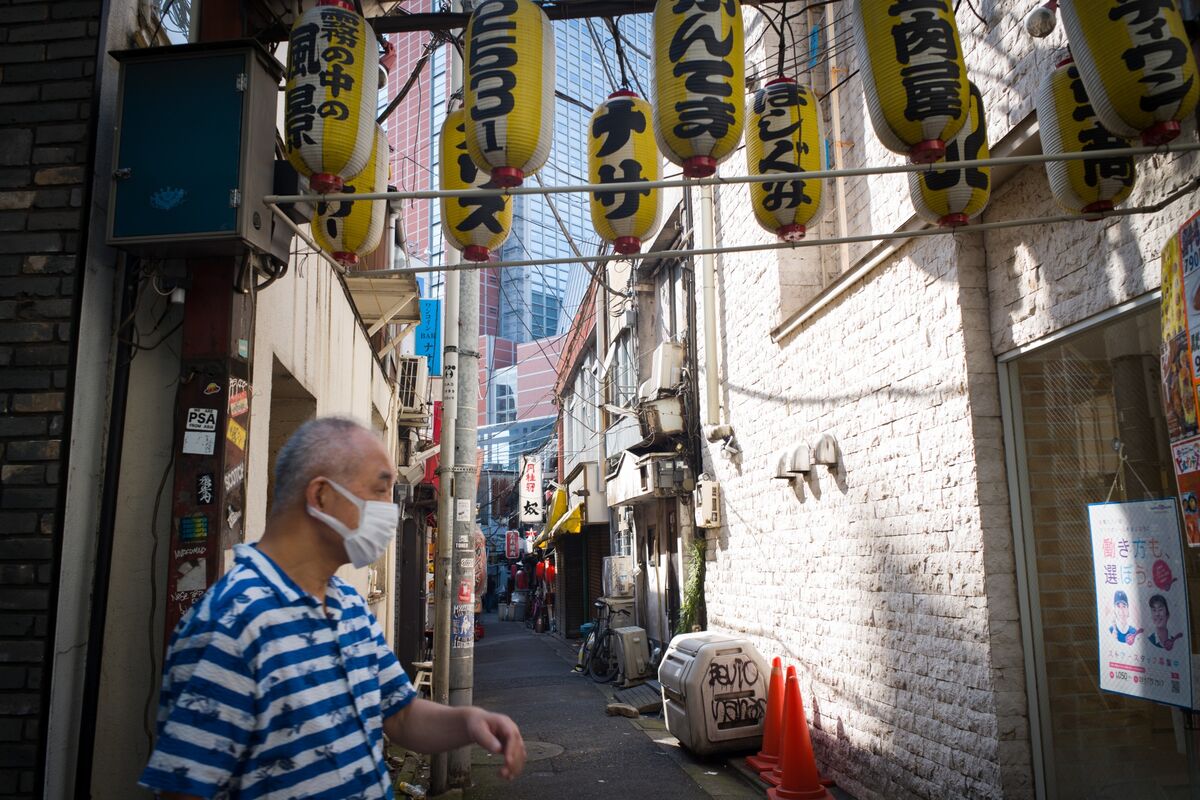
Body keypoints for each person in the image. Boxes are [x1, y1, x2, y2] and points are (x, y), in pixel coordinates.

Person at [139, 417, 525, 799]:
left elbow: (401, 715)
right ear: (321, 495)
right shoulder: (232, 624)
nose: (389, 510)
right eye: (379, 489)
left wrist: (470, 722)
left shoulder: (348, 606)